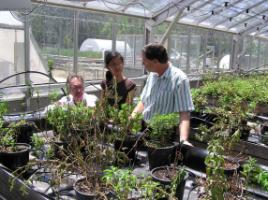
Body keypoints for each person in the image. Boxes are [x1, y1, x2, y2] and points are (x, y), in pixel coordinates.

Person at [131, 43, 194, 145]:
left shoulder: (179, 79)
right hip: (144, 128)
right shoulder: (152, 75)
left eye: (144, 61)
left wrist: (183, 140)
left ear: (155, 61)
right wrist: (132, 117)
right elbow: (143, 101)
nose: (142, 64)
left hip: (164, 134)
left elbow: (184, 113)